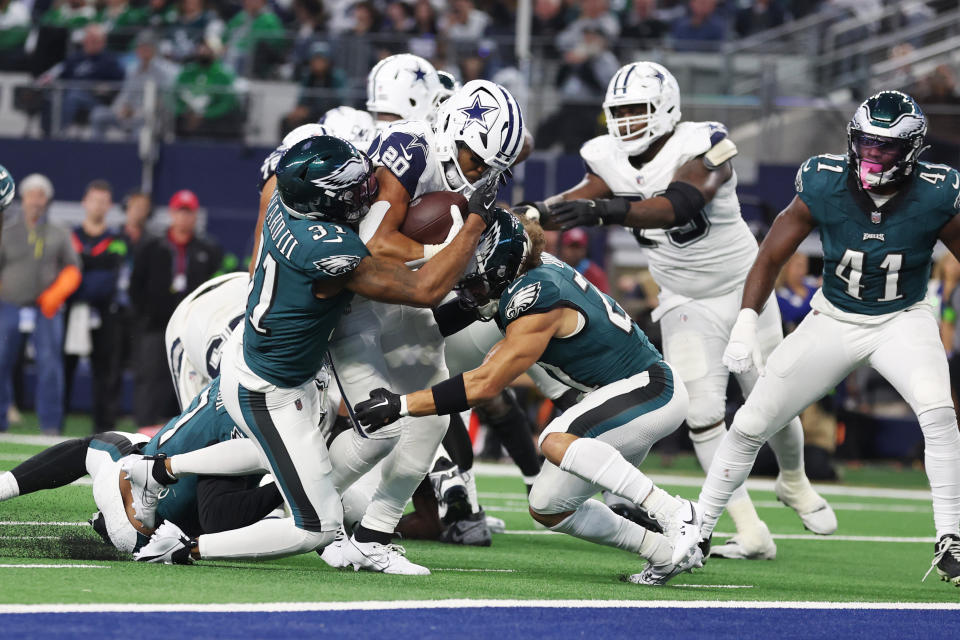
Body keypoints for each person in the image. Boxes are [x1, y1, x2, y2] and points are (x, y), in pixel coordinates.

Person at [128, 134, 497, 565]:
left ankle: (154, 471)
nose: (366, 192)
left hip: (272, 363)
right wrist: (472, 225)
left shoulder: (288, 205)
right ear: (322, 202)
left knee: (375, 432)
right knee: (313, 526)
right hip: (270, 390)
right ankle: (182, 548)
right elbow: (423, 289)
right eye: (351, 189)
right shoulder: (327, 249)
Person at [518, 61, 836, 560]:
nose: (625, 122)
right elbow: (580, 198)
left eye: (636, 109)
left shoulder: (705, 143)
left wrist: (607, 210)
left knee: (772, 401)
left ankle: (793, 480)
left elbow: (681, 202)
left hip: (743, 288)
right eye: (618, 112)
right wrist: (531, 214)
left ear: (665, 108)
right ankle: (749, 530)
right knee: (704, 414)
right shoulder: (607, 155)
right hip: (681, 296)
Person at [668, 90, 960, 587]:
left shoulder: (938, 191)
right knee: (752, 420)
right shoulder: (824, 180)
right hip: (833, 318)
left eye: (886, 148)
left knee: (938, 414)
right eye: (866, 144)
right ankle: (699, 530)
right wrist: (745, 320)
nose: (872, 157)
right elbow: (770, 256)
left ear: (911, 152)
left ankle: (952, 539)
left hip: (902, 319)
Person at [355, 211, 703, 585]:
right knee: (548, 507)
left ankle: (675, 512)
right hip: (614, 397)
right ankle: (663, 553)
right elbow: (470, 291)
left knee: (555, 440)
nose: (470, 291)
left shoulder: (536, 296)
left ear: (502, 270)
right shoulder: (524, 267)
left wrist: (401, 404)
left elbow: (484, 385)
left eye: (476, 283)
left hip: (650, 388)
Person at [319, 79, 526, 575]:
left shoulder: (479, 164)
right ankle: (298, 503)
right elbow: (373, 245)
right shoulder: (409, 147)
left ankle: (375, 533)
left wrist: (475, 286)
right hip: (349, 291)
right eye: (477, 160)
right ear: (454, 126)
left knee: (434, 415)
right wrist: (447, 257)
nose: (478, 173)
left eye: (492, 167)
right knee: (369, 425)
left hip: (399, 296)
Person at [130, 189, 223, 428]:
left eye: (189, 212)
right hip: (156, 325)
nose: (184, 218)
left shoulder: (208, 249)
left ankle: (188, 429)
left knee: (192, 377)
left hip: (193, 327)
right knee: (150, 376)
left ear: (195, 216)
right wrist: (146, 314)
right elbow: (135, 284)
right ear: (172, 214)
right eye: (180, 212)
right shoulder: (152, 246)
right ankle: (145, 428)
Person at [0, 173, 81, 434]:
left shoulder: (59, 231)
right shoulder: (7, 230)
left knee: (50, 365)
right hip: (10, 305)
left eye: (41, 195)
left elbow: (73, 267)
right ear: (22, 198)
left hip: (46, 308)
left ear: (47, 200)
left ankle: (50, 426)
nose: (36, 201)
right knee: (1, 361)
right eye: (31, 195)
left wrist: (56, 293)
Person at [63, 179, 126, 433]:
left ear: (109, 205)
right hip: (70, 312)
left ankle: (105, 430)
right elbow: (62, 273)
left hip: (103, 314)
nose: (98, 206)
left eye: (103, 201)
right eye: (94, 200)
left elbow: (109, 281)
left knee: (104, 372)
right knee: (63, 368)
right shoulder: (70, 236)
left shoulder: (117, 239)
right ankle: (52, 427)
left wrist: (79, 274)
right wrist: (85, 274)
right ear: (84, 202)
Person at [90, 30, 178, 139]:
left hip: (149, 117)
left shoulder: (165, 71)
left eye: (147, 47)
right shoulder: (132, 70)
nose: (143, 51)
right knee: (98, 114)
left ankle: (134, 155)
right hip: (128, 115)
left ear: (154, 49)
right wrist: (120, 109)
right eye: (141, 47)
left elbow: (164, 101)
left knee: (141, 128)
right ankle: (98, 150)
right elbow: (124, 95)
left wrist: (136, 111)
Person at [559, 227, 609, 293]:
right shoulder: (554, 268)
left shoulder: (595, 274)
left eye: (578, 247)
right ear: (562, 248)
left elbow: (603, 300)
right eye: (571, 247)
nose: (574, 252)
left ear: (585, 250)